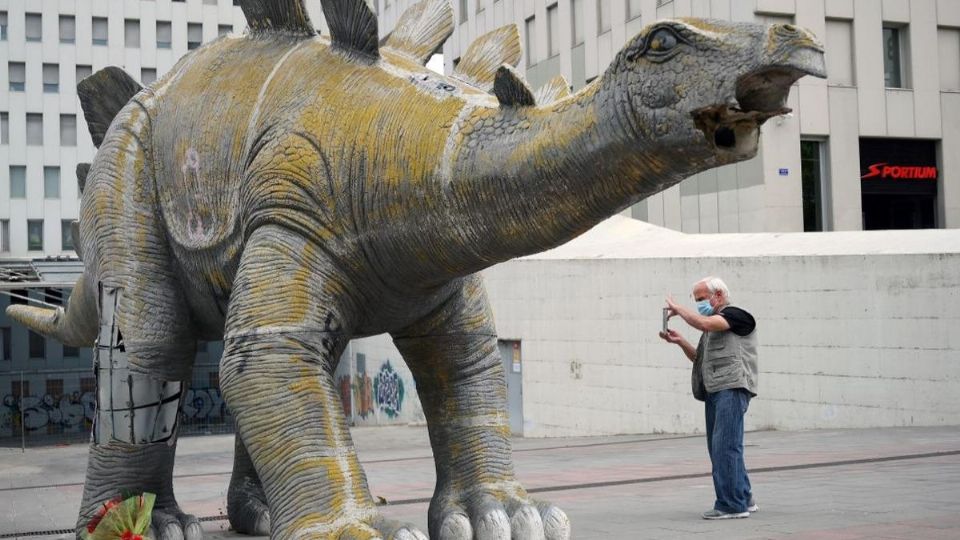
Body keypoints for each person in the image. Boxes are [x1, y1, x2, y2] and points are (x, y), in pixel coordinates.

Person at [659, 276, 759, 520]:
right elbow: (700, 360)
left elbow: (704, 323)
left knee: (725, 446)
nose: (699, 304)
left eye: (701, 298)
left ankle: (731, 505)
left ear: (719, 296)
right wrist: (681, 342)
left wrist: (679, 310)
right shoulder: (712, 328)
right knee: (721, 448)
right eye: (696, 300)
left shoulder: (735, 315)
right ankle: (743, 497)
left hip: (731, 388)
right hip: (715, 390)